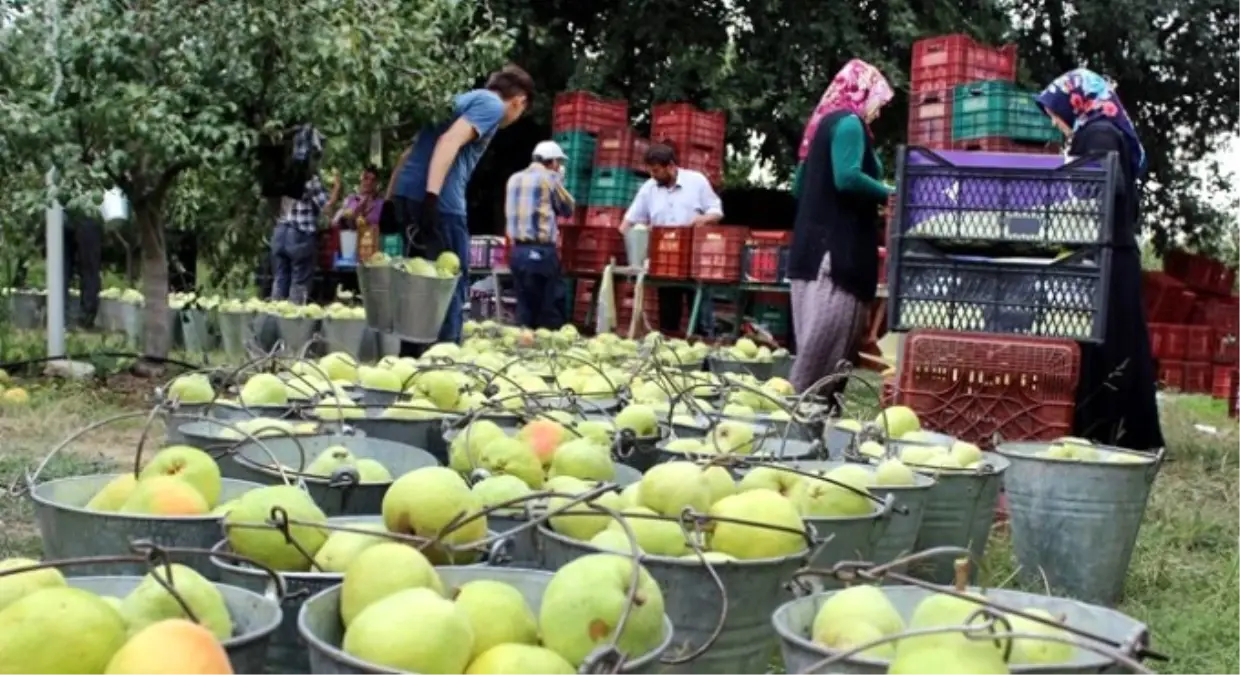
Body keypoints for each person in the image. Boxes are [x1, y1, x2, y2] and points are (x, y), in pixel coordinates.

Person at [1035, 69, 1164, 451]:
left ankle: (1108, 431)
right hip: (1111, 253)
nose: (1054, 122)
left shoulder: (1099, 133)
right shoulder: (1101, 130)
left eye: (1054, 112)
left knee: (1107, 347)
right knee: (1115, 345)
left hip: (1107, 257)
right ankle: (1116, 430)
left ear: (1073, 102)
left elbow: (1106, 191)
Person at [385, 65, 534, 350]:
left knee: (419, 280)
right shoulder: (491, 104)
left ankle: (410, 355)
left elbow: (411, 151)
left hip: (408, 195)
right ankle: (445, 357)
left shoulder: (459, 100)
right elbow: (449, 141)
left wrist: (391, 201)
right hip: (440, 203)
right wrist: (432, 196)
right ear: (520, 101)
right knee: (450, 281)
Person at [787, 59, 895, 395]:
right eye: (879, 100)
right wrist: (891, 194)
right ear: (863, 92)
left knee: (820, 349)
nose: (880, 110)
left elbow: (798, 187)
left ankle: (812, 424)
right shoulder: (849, 123)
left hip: (811, 251)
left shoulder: (822, 126)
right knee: (823, 353)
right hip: (834, 257)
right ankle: (796, 420)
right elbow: (847, 177)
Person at [619, 144, 723, 336]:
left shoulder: (696, 181)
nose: (653, 175)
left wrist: (703, 219)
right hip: (666, 260)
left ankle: (705, 350)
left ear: (671, 166)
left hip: (695, 259)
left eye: (656, 170)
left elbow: (716, 211)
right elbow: (629, 221)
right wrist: (630, 244)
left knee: (701, 313)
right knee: (668, 315)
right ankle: (670, 351)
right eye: (650, 171)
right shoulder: (649, 188)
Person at [505, 140, 575, 329]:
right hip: (541, 252)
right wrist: (560, 181)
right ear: (551, 162)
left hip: (518, 253)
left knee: (525, 308)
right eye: (558, 163)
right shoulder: (549, 179)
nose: (559, 167)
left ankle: (525, 349)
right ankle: (548, 352)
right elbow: (568, 208)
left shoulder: (514, 179)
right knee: (550, 308)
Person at [270, 126, 341, 304]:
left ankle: (273, 324)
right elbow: (326, 208)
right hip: (299, 234)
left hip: (280, 232)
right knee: (299, 284)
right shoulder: (310, 179)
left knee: (279, 281)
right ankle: (293, 328)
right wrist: (337, 189)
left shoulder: (284, 173)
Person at [334, 164, 385, 235]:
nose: (369, 182)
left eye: (373, 180)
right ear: (361, 179)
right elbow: (336, 222)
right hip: (351, 241)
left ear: (376, 183)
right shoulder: (350, 200)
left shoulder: (382, 204)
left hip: (373, 241)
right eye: (366, 178)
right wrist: (358, 210)